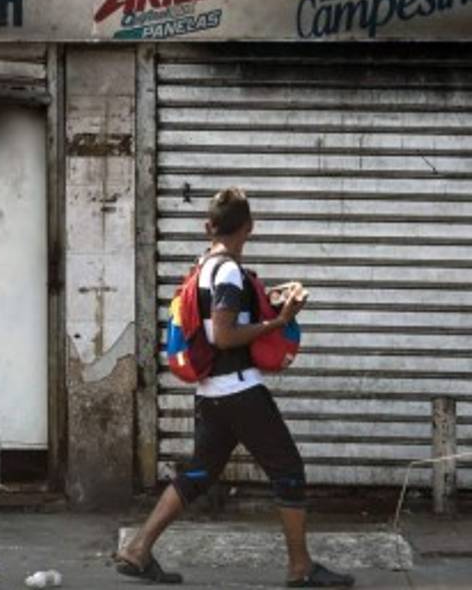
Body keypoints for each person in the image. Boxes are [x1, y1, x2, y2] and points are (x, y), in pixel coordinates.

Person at [116, 187, 354, 588]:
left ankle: (138, 550)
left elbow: (219, 323)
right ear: (249, 227)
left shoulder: (205, 265)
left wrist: (272, 302)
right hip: (238, 390)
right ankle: (301, 569)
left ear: (208, 226)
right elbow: (224, 337)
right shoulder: (227, 271)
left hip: (212, 392)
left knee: (199, 472)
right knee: (289, 470)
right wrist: (280, 323)